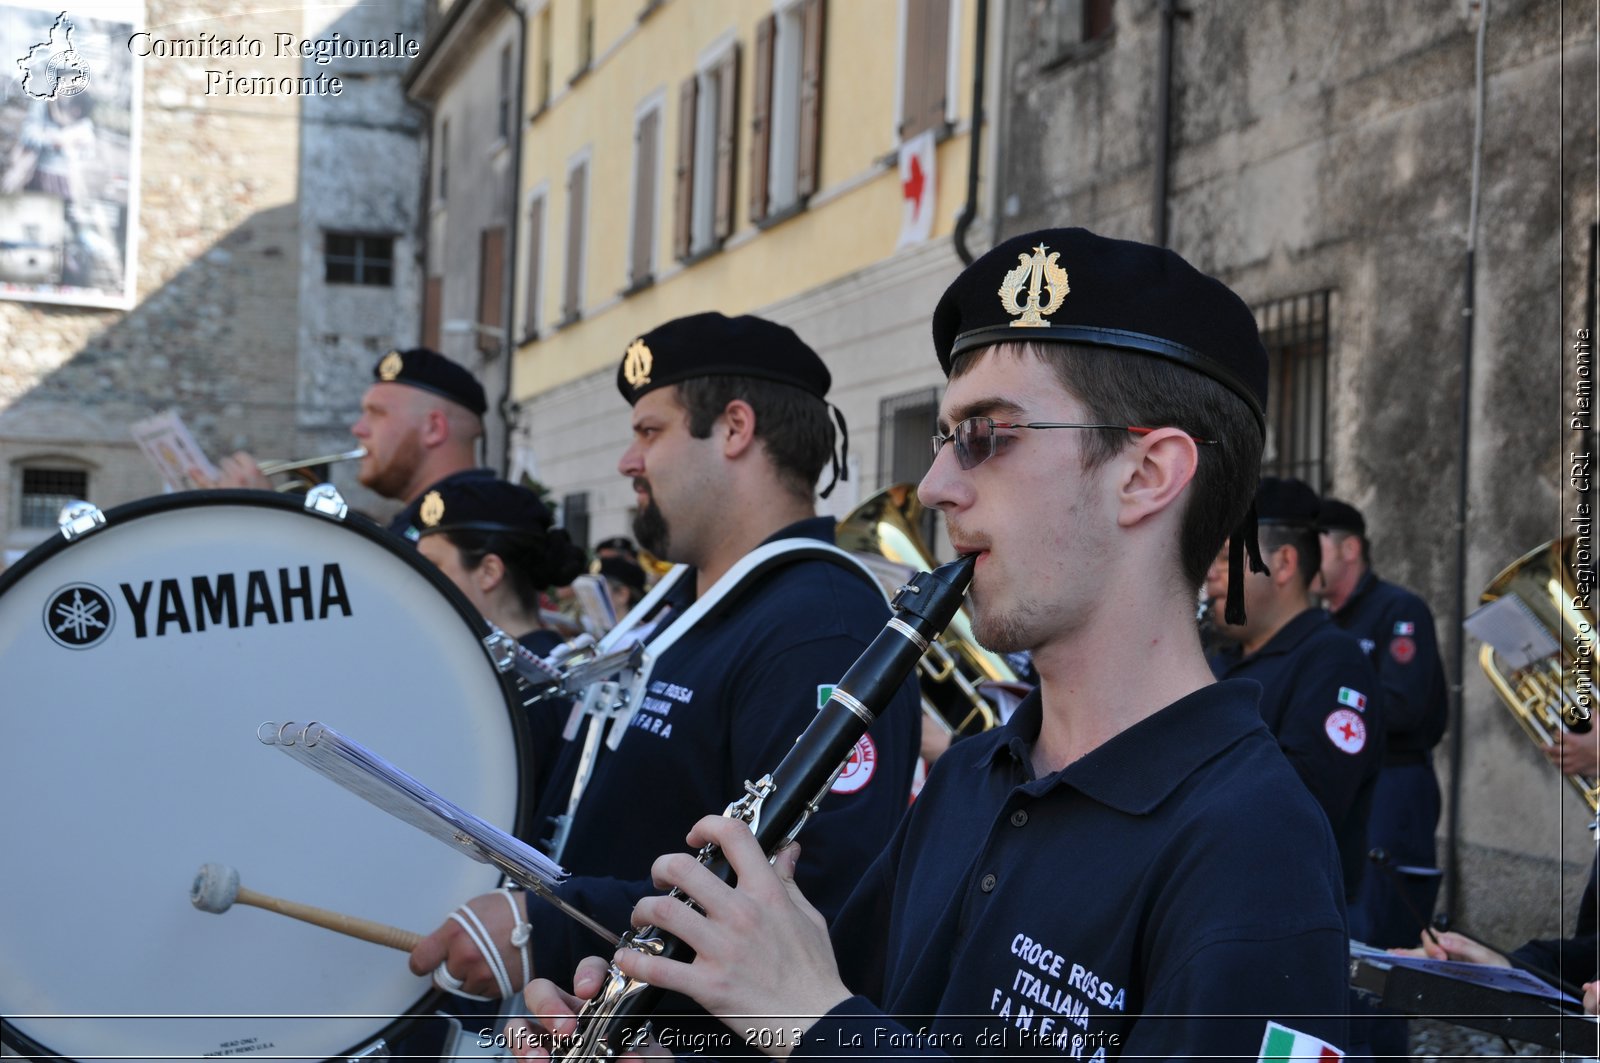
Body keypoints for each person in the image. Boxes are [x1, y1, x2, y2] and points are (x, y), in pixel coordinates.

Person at [520, 228, 1354, 1058]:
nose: (937, 486)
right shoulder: (969, 778)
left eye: (987, 434)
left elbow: (833, 1032)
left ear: (1146, 473)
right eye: (947, 437)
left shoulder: (1256, 848)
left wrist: (815, 1022)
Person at [408, 313, 921, 1027]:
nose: (627, 460)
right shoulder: (681, 603)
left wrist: (552, 927)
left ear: (736, 428)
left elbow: (810, 899)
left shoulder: (819, 628)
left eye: (649, 431)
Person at [1207, 478, 1385, 903]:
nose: (1211, 574)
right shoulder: (1218, 657)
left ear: (1283, 564)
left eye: (1227, 557)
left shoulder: (1334, 663)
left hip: (1280, 912)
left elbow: (1299, 804)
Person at [1317, 498, 1449, 951]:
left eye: (1312, 545)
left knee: (1380, 934)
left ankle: (1379, 1023)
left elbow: (1403, 707)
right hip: (1344, 785)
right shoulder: (1321, 621)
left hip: (1393, 784)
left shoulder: (1400, 611)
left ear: (1348, 549)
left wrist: (1319, 712)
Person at [198, 347, 494, 541]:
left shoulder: (470, 524)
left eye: (377, 414)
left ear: (433, 428)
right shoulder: (417, 521)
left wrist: (266, 520)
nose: (358, 428)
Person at [414, 477, 586, 657]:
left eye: (432, 568)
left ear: (489, 572)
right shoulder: (476, 664)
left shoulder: (541, 676)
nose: (419, 582)